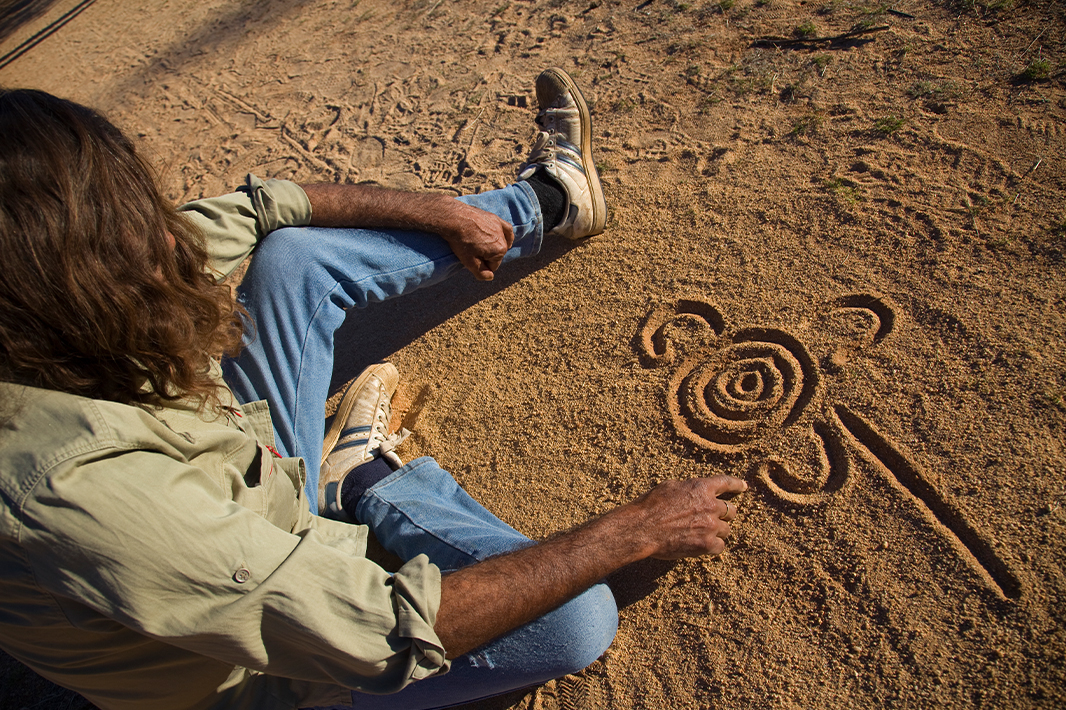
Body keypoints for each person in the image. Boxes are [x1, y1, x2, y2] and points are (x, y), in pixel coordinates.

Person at [0, 69, 746, 710]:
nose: (171, 240)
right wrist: (635, 529)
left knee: (293, 260)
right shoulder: (73, 489)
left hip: (249, 473)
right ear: (61, 280)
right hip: (260, 679)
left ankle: (553, 199)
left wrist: (441, 211)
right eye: (133, 230)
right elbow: (374, 634)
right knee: (576, 618)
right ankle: (364, 482)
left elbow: (265, 208)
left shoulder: (53, 302)